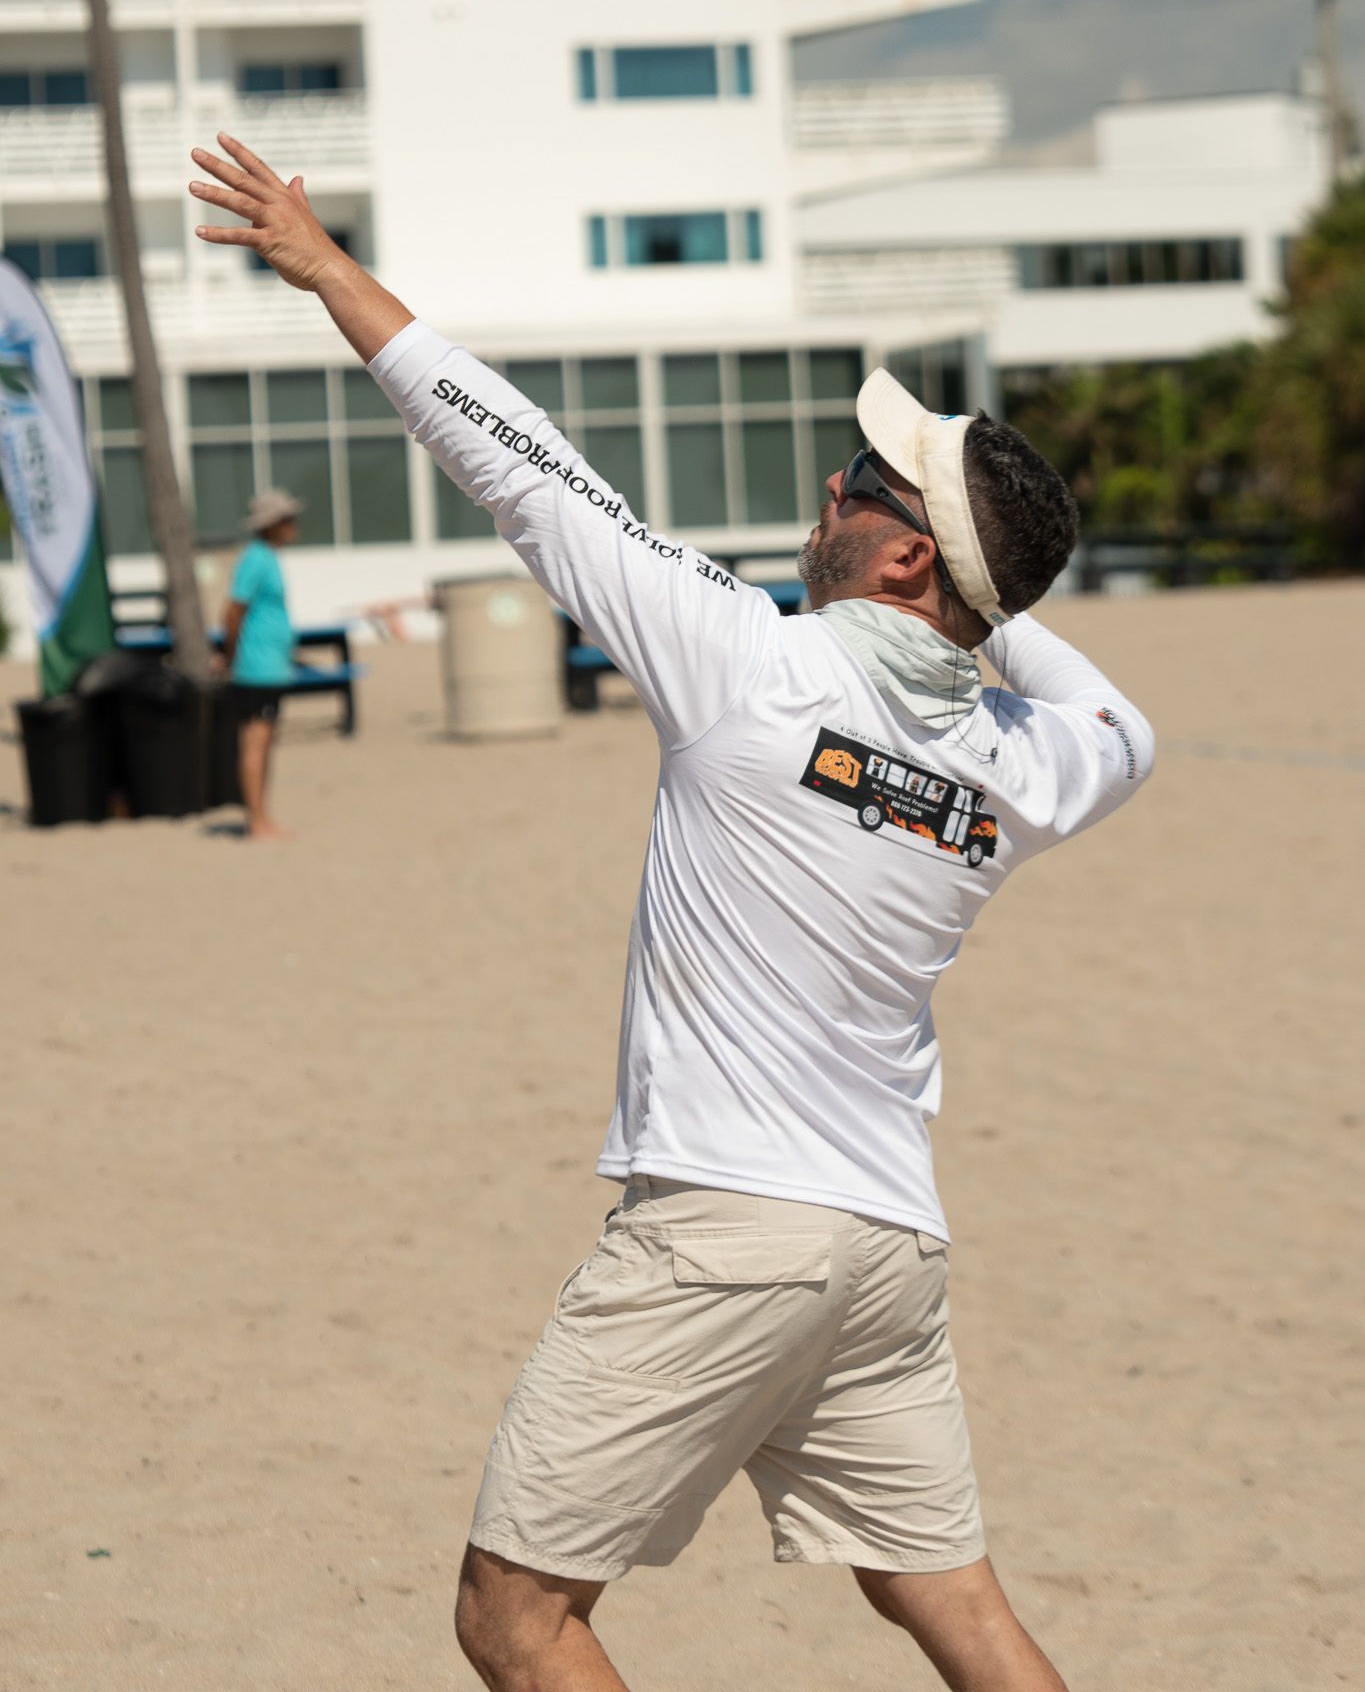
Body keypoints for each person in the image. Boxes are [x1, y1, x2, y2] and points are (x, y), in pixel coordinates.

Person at [189, 135, 1155, 1692]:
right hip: (883, 1248)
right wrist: (995, 613)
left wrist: (325, 271)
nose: (825, 490)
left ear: (901, 554)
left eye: (859, 486)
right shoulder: (1027, 770)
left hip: (723, 1231)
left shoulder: (756, 665)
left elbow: (518, 455)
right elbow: (1125, 726)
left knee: (512, 1618)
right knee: (954, 1608)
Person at [220, 485, 302, 840]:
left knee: (266, 741)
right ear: (270, 525)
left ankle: (261, 815)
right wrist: (230, 657)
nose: (293, 525)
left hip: (270, 666)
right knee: (255, 741)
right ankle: (256, 820)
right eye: (287, 519)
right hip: (255, 668)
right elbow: (233, 611)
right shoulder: (255, 558)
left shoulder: (267, 557)